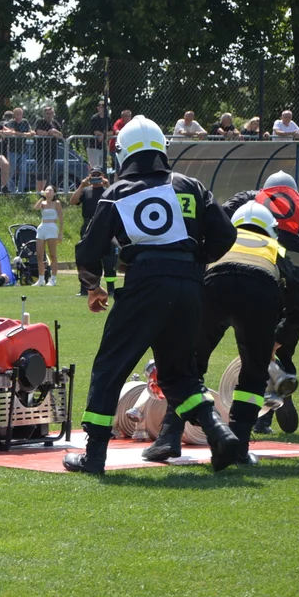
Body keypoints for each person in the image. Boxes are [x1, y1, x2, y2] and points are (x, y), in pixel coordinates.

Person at [64, 115, 240, 474]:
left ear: (124, 154)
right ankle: (219, 433)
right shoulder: (192, 186)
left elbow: (88, 249)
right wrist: (192, 261)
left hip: (144, 282)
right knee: (179, 375)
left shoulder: (117, 193)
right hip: (190, 285)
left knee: (110, 368)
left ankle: (94, 456)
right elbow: (225, 235)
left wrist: (94, 285)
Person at [143, 203, 292, 466]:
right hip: (260, 291)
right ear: (271, 229)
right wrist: (278, 337)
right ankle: (238, 445)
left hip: (214, 286)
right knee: (254, 375)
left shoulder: (224, 239)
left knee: (189, 367)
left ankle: (169, 437)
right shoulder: (276, 248)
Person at [223, 171, 299, 434]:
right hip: (295, 281)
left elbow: (219, 216)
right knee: (280, 347)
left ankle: (261, 412)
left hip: (256, 273)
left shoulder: (250, 199)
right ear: (298, 195)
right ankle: (277, 386)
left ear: (264, 190)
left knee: (254, 347)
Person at [69, 167, 114, 296]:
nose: (96, 177)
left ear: (103, 176)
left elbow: (116, 199)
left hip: (105, 225)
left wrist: (107, 184)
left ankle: (111, 289)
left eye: (98, 175)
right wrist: (81, 186)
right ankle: (85, 288)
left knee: (108, 259)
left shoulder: (107, 191)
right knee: (86, 257)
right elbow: (73, 201)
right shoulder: (86, 191)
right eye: (93, 175)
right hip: (88, 225)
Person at [33, 186, 64, 287]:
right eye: (46, 190)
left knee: (52, 255)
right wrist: (42, 197)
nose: (48, 192)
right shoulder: (43, 203)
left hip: (52, 228)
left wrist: (60, 233)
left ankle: (53, 279)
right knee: (39, 255)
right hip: (42, 227)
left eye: (50, 190)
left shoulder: (57, 203)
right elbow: (36, 208)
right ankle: (41, 279)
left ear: (54, 193)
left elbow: (61, 219)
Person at [34, 106, 63, 192]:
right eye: (47, 114)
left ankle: (46, 194)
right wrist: (51, 133)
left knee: (48, 175)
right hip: (41, 152)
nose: (48, 115)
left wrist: (54, 131)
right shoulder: (40, 121)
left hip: (52, 152)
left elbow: (61, 135)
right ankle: (39, 193)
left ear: (53, 114)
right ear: (44, 114)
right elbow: (39, 132)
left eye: (50, 113)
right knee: (41, 174)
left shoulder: (55, 123)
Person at [5, 107, 34, 192]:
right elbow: (13, 132)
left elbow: (31, 132)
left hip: (23, 151)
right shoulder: (11, 122)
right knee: (11, 172)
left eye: (20, 113)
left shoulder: (25, 122)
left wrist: (29, 133)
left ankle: (21, 191)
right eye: (17, 113)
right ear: (14, 115)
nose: (19, 115)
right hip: (12, 150)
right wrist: (25, 134)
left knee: (23, 171)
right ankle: (12, 190)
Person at [87, 101, 109, 169]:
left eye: (104, 107)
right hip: (93, 147)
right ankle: (92, 179)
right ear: (98, 108)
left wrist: (103, 136)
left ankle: (101, 180)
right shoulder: (95, 118)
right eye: (101, 107)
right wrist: (103, 134)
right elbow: (95, 131)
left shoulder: (107, 118)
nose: (102, 109)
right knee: (94, 168)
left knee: (102, 168)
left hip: (103, 147)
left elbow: (111, 131)